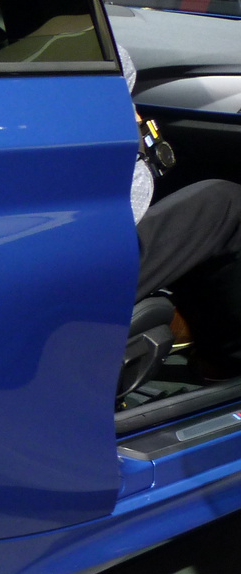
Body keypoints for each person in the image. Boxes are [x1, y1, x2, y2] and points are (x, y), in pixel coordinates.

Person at [123, 46, 241, 378]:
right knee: (226, 205)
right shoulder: (72, 49)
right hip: (68, 257)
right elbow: (114, 69)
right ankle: (227, 365)